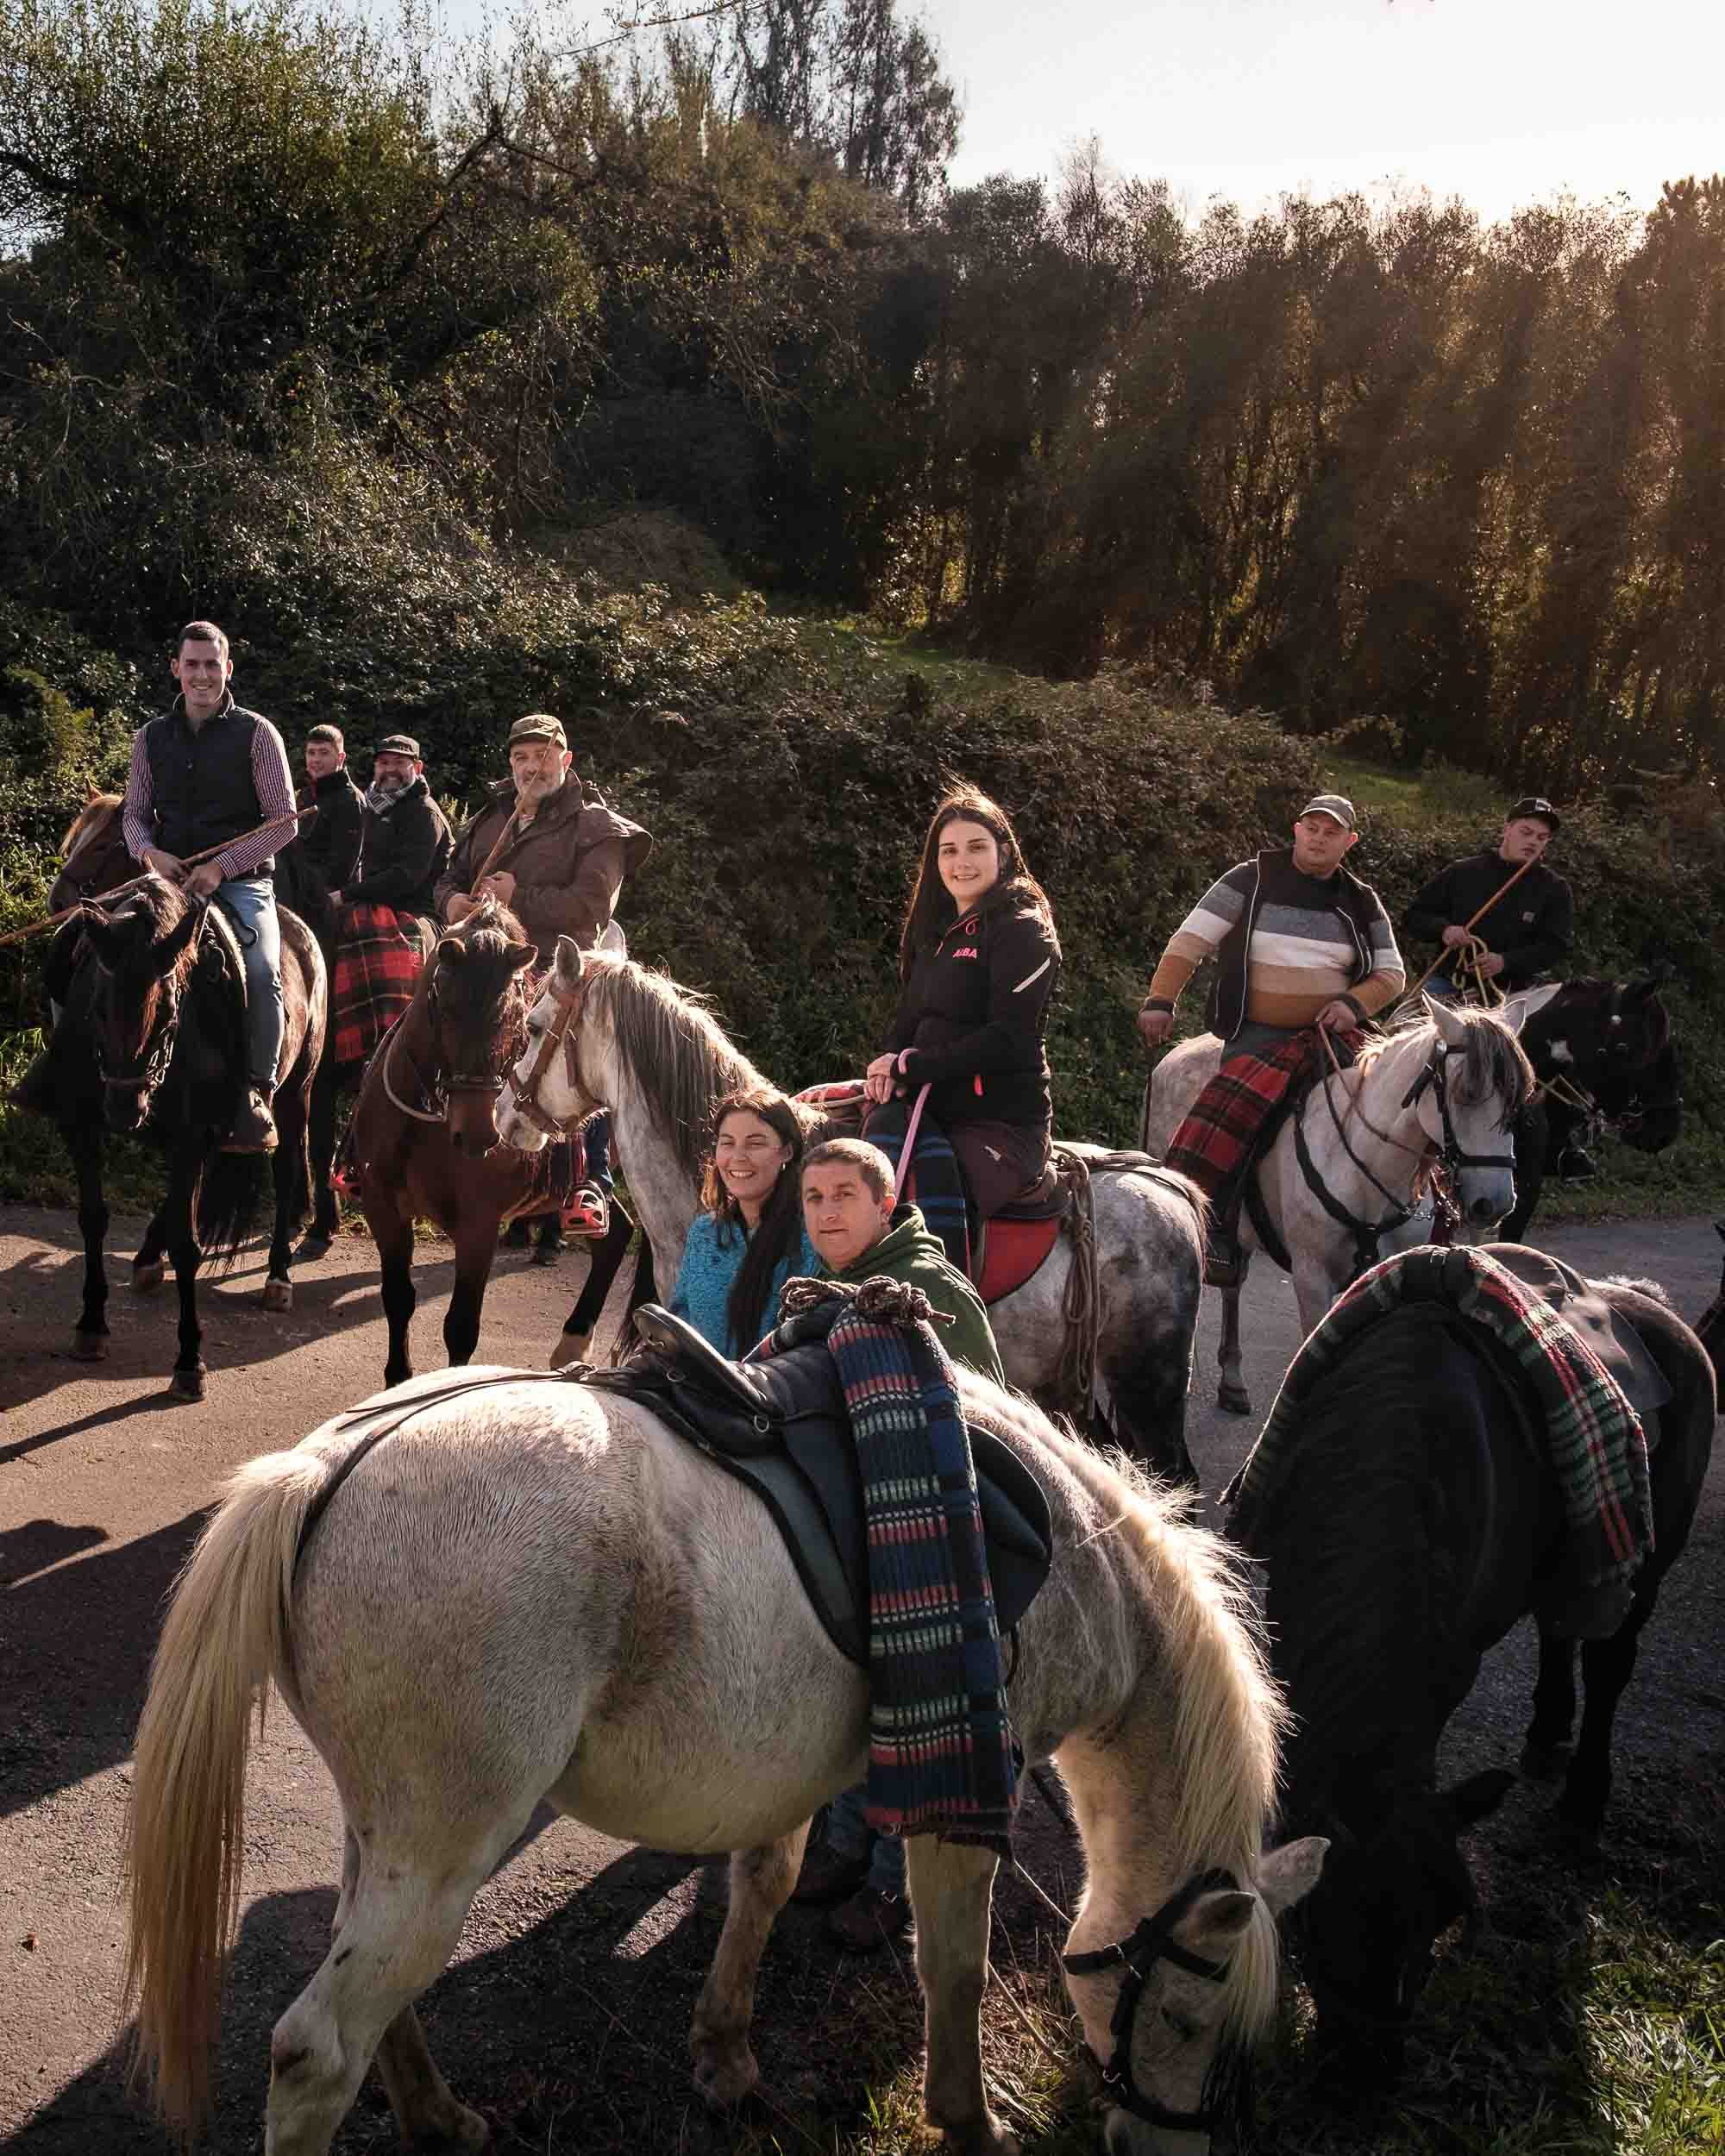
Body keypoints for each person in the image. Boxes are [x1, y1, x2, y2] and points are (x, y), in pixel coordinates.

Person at [790, 1136, 1006, 1952]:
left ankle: (894, 1882)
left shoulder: (922, 1287)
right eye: (814, 1198)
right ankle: (845, 1845)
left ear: (885, 1205)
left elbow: (986, 1413)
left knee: (910, 1704)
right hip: (851, 1525)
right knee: (854, 1703)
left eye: (845, 1194)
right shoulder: (823, 1285)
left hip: (921, 1530)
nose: (828, 1211)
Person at [1137, 794, 1405, 1282]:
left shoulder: (1361, 899)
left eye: (1332, 831)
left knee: (1394, 1107)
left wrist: (1352, 1004)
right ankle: (1218, 1232)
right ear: (1296, 829)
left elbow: (1391, 973)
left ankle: (1400, 1220)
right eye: (1312, 827)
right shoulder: (1249, 878)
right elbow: (1189, 942)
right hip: (1257, 1034)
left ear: (1350, 841)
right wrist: (1160, 1001)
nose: (1320, 837)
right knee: (1234, 1118)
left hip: (1335, 1036)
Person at [436, 712, 652, 1238]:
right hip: (489, 965)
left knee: (578, 1049)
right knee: (429, 1014)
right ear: (511, 763)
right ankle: (384, 1147)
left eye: (543, 755)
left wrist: (519, 898)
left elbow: (593, 907)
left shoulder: (598, 827)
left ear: (566, 758)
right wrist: (452, 902)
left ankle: (588, 1181)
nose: (532, 768)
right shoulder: (490, 817)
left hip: (563, 962)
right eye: (521, 758)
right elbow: (448, 876)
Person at [863, 787, 1060, 1267]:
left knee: (936, 1203)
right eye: (948, 851)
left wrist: (915, 1068)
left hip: (1002, 1121)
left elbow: (1007, 1039)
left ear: (1004, 853)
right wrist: (888, 1063)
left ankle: (947, 1312)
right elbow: (908, 1021)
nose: (961, 862)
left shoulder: (1025, 930)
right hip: (926, 1106)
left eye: (976, 847)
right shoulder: (933, 935)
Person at [121, 620, 297, 1152]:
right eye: (191, 664)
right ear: (176, 668)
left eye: (212, 664)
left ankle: (256, 1092)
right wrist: (150, 854)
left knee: (265, 973)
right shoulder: (149, 737)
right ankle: (81, 1072)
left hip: (241, 885)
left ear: (228, 669)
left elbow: (283, 821)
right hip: (167, 885)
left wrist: (222, 866)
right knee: (91, 950)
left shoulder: (258, 733)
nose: (202, 675)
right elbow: (133, 817)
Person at [666, 1088, 819, 1355]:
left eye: (755, 1143)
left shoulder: (812, 1236)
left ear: (786, 1152)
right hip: (700, 1389)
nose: (738, 1157)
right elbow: (681, 1320)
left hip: (773, 1391)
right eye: (727, 1143)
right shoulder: (704, 1234)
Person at [1403, 797, 1573, 1000]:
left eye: (1542, 837)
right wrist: (1444, 930)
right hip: (1450, 985)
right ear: (1507, 829)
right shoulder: (1462, 872)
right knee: (1409, 1029)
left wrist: (1505, 961)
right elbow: (1413, 916)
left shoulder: (1555, 888)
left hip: (1513, 995)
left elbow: (1555, 946)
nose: (1533, 841)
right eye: (1526, 832)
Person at [337, 736, 452, 918]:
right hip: (374, 904)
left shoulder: (425, 813)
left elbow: (405, 877)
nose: (390, 769)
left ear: (417, 768)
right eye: (383, 763)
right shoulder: (373, 807)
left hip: (420, 914)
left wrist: (345, 895)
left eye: (400, 763)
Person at [293, 724, 364, 901]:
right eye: (311, 753)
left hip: (326, 900)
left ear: (340, 758)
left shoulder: (350, 801)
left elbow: (340, 871)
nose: (316, 759)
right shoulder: (305, 795)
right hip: (296, 885)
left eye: (324, 753)